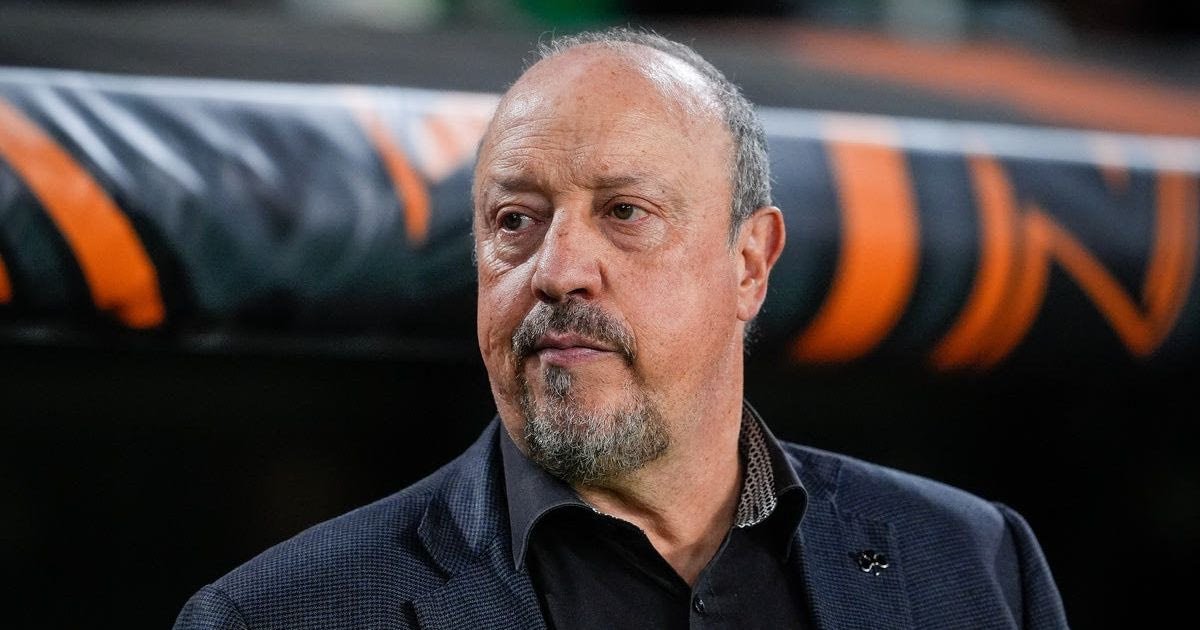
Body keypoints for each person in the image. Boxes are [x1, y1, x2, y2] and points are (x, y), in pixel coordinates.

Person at [174, 27, 1068, 629]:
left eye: (625, 211)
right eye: (515, 220)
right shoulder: (280, 615)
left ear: (749, 264)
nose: (557, 269)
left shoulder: (976, 565)